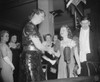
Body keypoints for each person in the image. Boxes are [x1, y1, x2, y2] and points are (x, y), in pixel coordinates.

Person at [19, 9, 46, 82]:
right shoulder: (30, 26)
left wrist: (43, 46)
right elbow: (38, 45)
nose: (43, 19)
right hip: (30, 57)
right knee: (33, 79)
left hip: (34, 56)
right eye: (42, 16)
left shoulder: (34, 27)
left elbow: (38, 45)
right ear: (36, 15)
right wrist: (50, 50)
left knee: (38, 79)